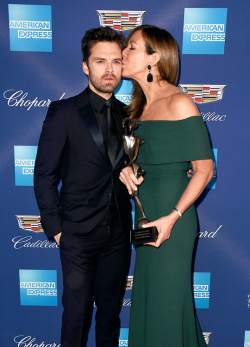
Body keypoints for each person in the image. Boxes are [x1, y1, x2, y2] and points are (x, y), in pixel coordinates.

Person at [34, 27, 132, 347]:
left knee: (109, 317)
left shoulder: (128, 115)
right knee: (75, 317)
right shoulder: (63, 112)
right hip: (76, 233)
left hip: (118, 232)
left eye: (116, 61)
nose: (109, 70)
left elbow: (127, 166)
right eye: (100, 61)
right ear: (85, 66)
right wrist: (57, 229)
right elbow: (44, 174)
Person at [120, 25, 214, 347]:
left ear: (153, 59)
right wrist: (127, 171)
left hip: (173, 223)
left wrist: (172, 217)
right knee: (151, 306)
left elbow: (204, 169)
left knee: (167, 309)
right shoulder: (135, 110)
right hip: (145, 221)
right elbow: (140, 160)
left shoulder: (180, 103)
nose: (123, 52)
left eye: (131, 47)